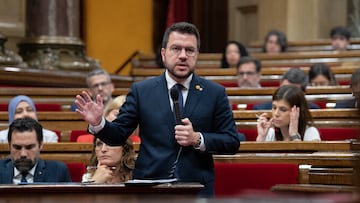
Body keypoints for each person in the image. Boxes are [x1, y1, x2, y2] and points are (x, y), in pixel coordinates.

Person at [75, 22, 241, 196]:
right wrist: (98, 123)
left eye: (190, 50)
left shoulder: (214, 93)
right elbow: (118, 135)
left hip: (197, 189)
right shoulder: (142, 91)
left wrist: (197, 139)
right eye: (176, 49)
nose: (183, 56)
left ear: (197, 54)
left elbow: (231, 141)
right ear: (163, 54)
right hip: (150, 188)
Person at [0, 117, 71, 184]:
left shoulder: (58, 171)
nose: (23, 154)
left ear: (40, 145)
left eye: (29, 147)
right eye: (17, 147)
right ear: (9, 145)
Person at [256, 85, 321, 142]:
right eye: (274, 107)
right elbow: (258, 156)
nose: (276, 114)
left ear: (297, 111)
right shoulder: (270, 133)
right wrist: (262, 137)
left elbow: (303, 156)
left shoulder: (310, 132)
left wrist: (294, 136)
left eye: (283, 109)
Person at [253, 68, 320, 110]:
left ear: (303, 93)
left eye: (292, 92)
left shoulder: (312, 110)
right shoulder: (261, 110)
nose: (286, 94)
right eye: (284, 89)